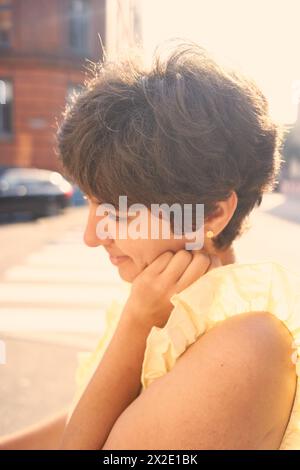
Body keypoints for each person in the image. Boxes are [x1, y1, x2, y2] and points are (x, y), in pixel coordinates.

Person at [1, 39, 300, 450]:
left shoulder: (243, 349)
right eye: (90, 203)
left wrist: (134, 327)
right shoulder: (175, 312)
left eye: (119, 213)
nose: (92, 236)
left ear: (211, 213)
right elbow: (82, 418)